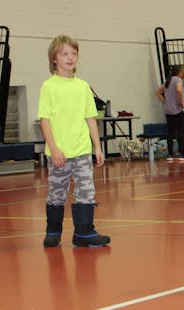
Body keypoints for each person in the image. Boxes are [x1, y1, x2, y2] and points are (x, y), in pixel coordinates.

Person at [38, 35, 111, 247]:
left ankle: (84, 233)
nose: (70, 58)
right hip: (59, 152)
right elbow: (45, 120)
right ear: (54, 58)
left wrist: (97, 147)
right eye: (64, 54)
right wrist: (53, 148)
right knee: (57, 193)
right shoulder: (49, 86)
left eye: (74, 53)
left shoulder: (82, 86)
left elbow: (90, 118)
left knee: (86, 191)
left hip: (81, 150)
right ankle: (53, 230)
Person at [155, 65, 184, 160]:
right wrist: (180, 102)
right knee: (181, 131)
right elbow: (179, 90)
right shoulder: (178, 80)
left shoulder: (168, 81)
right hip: (178, 110)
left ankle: (170, 153)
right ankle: (182, 153)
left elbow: (158, 92)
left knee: (170, 132)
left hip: (168, 111)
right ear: (180, 72)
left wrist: (165, 102)